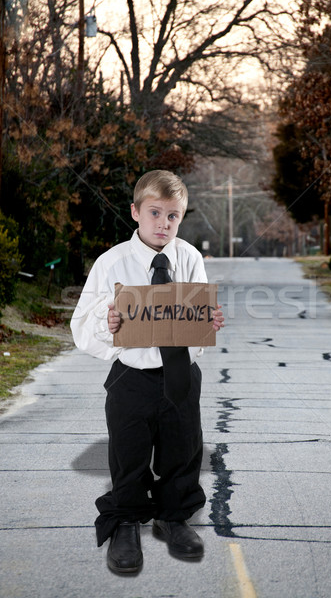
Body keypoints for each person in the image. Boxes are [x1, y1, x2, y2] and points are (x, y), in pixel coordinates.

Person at [70, 170, 224, 574]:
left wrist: (208, 320)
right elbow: (82, 324)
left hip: (180, 374)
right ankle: (124, 522)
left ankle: (173, 517)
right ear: (136, 212)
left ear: (181, 218)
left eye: (173, 216)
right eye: (155, 213)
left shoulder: (189, 258)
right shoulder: (111, 262)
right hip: (131, 376)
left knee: (183, 448)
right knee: (129, 451)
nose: (163, 224)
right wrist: (110, 322)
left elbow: (197, 314)